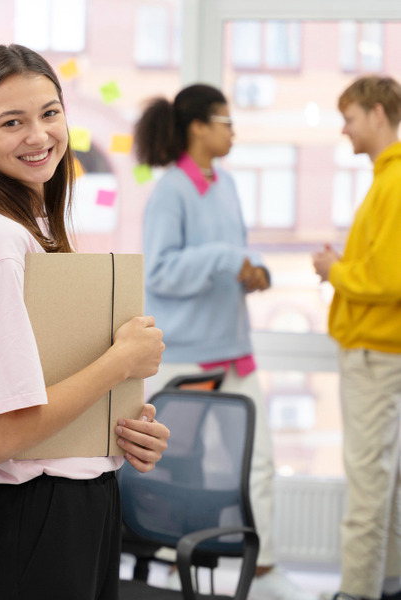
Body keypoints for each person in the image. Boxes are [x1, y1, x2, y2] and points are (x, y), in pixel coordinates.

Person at [0, 44, 169, 600]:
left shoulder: (37, 226)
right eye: (11, 122)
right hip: (33, 524)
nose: (39, 136)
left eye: (49, 113)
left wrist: (119, 432)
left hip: (72, 513)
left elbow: (43, 394)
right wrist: (118, 364)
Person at [134, 84, 315, 600]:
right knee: (172, 466)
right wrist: (223, 259)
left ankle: (263, 567)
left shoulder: (229, 185)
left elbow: (231, 254)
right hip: (187, 355)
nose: (233, 130)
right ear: (198, 127)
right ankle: (170, 563)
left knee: (257, 461)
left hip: (234, 348)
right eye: (225, 120)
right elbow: (162, 271)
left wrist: (250, 272)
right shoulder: (171, 191)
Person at [313, 75, 401, 600]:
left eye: (349, 118)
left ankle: (356, 594)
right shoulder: (384, 178)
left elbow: (389, 280)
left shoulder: (393, 181)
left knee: (368, 487)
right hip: (378, 350)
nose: (345, 130)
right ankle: (386, 586)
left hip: (375, 351)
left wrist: (334, 270)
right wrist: (347, 268)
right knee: (383, 486)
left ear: (375, 112)